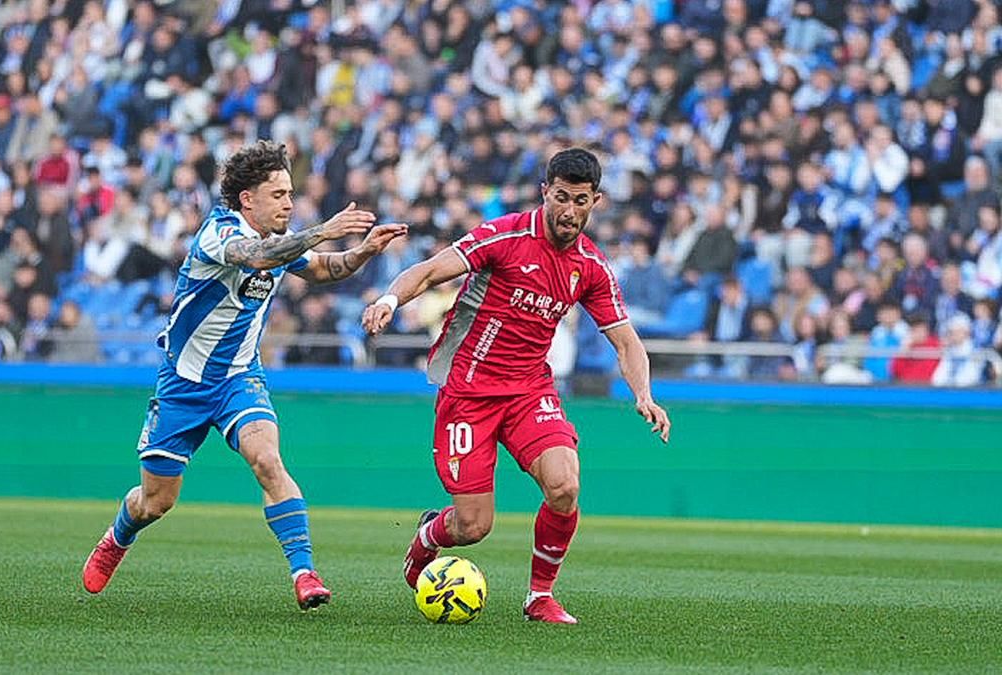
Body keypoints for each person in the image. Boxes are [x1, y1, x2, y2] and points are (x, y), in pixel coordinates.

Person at [82, 141, 407, 609]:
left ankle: (305, 574)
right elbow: (254, 256)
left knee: (268, 460)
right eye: (278, 194)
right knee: (156, 501)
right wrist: (325, 228)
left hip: (239, 378)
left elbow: (322, 268)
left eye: (291, 193)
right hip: (184, 383)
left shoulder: (280, 239)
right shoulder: (218, 233)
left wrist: (362, 252)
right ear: (247, 199)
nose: (289, 203)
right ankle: (118, 536)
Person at [361, 148, 671, 624]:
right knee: (473, 526)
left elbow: (626, 343)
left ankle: (539, 597)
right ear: (545, 192)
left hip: (529, 391)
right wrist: (388, 299)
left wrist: (644, 395)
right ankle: (427, 537)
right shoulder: (503, 236)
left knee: (565, 485)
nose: (569, 211)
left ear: (596, 202)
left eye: (581, 201)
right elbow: (428, 270)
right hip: (468, 391)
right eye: (561, 197)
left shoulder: (591, 266)